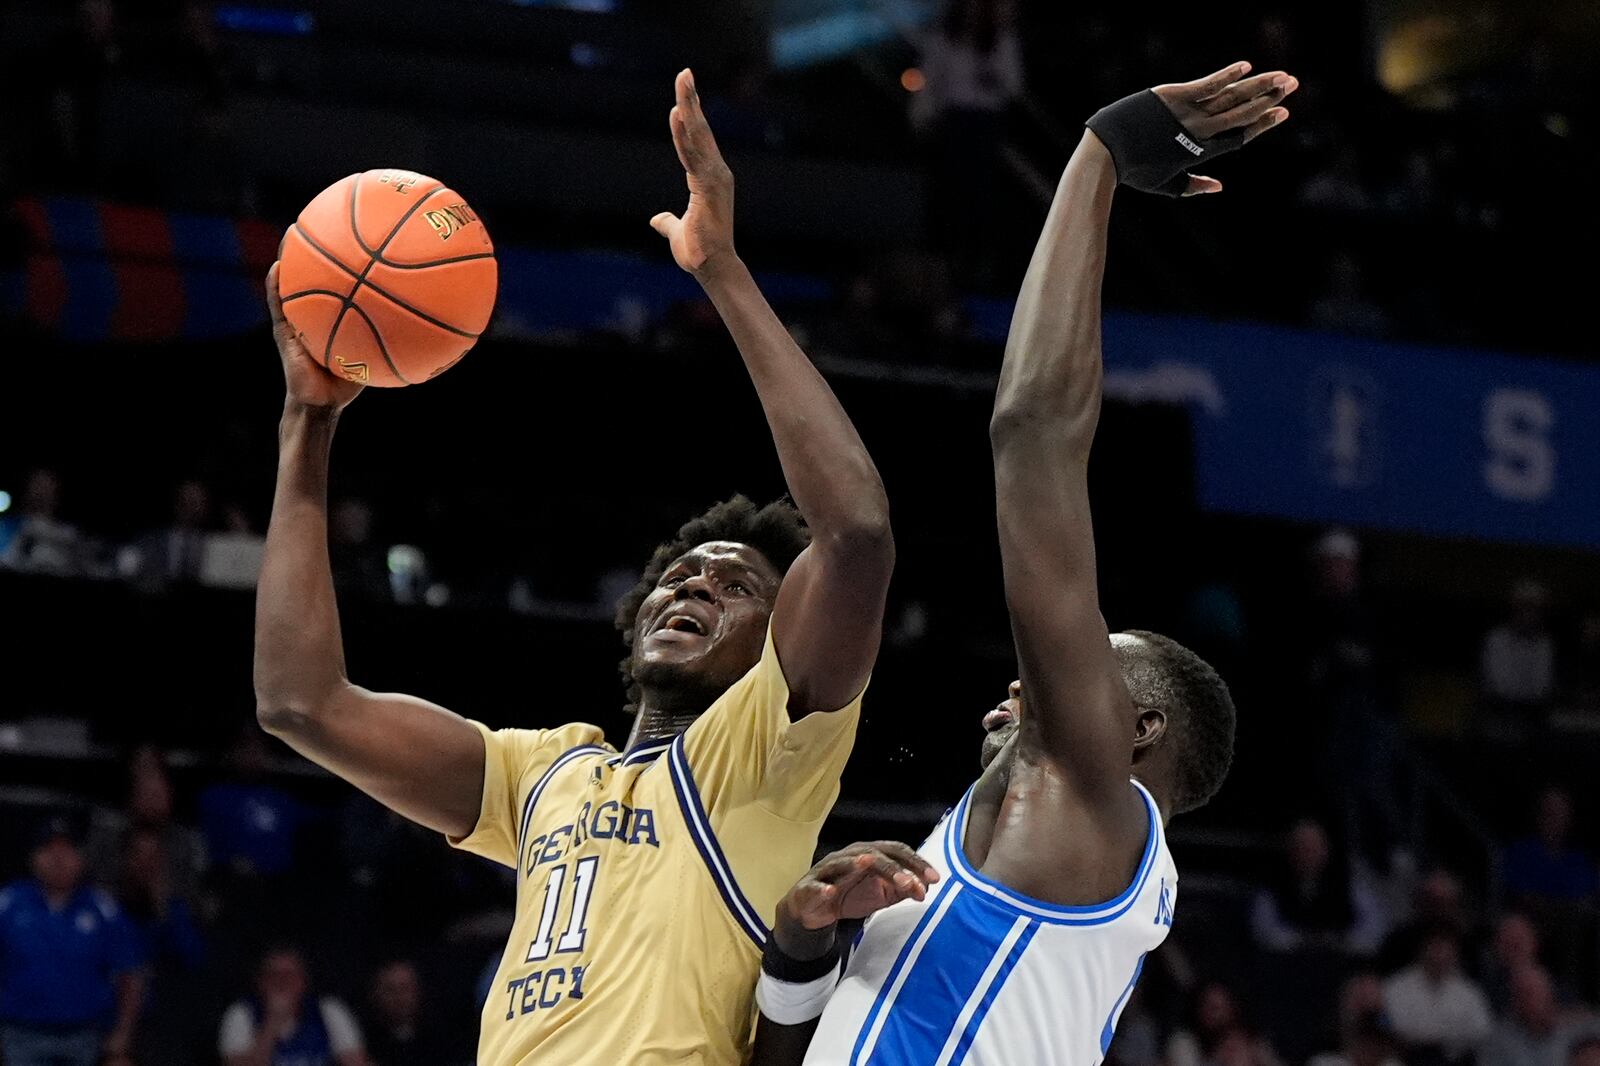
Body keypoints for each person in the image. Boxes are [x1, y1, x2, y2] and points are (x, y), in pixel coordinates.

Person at [252, 69, 894, 1066]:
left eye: (734, 585)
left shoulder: (768, 752)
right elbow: (299, 703)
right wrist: (308, 423)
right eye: (681, 576)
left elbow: (853, 533)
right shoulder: (542, 772)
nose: (692, 584)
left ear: (777, 640)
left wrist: (720, 268)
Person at [745, 62, 1293, 1066]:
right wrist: (803, 940)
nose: (1027, 670)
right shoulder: (1002, 855)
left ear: (1137, 731)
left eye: (1096, 657)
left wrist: (1096, 156)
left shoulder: (1089, 799)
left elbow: (1033, 431)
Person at [0, 817, 147, 1066]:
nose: (58, 859)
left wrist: (122, 1033)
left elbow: (131, 974)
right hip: (19, 1034)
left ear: (81, 858)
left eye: (67, 850)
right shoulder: (8, 903)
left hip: (84, 1036)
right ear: (34, 858)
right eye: (49, 850)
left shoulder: (103, 909)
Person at [219, 945, 368, 1066]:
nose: (282, 981)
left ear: (304, 981)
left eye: (290, 974)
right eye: (273, 974)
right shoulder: (242, 1013)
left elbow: (354, 1061)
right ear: (260, 982)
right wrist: (272, 1023)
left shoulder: (327, 1009)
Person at [1381, 930, 1492, 1064]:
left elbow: (1481, 1029)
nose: (1439, 957)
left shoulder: (1468, 991)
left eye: (1445, 951)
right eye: (1435, 949)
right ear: (1423, 951)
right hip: (1408, 1057)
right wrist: (1443, 1032)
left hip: (1456, 1059)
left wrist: (1440, 1036)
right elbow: (1390, 1023)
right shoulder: (1396, 986)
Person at [361, 960, 452, 1066]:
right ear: (376, 995)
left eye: (404, 988)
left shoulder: (440, 1038)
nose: (399, 997)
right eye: (390, 990)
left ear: (417, 991)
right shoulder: (364, 1041)